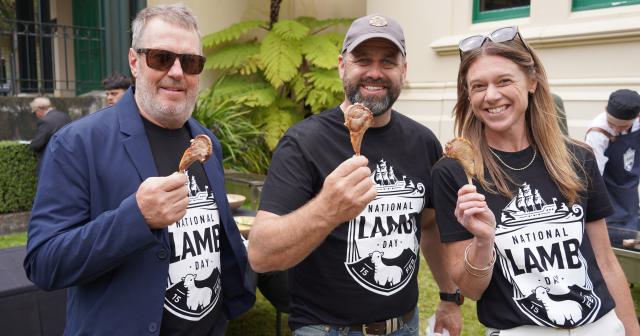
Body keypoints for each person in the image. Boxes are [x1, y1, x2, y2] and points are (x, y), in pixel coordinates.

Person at [23, 4, 254, 335]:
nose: (177, 72)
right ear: (134, 61)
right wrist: (136, 217)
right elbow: (44, 262)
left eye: (190, 62)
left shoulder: (206, 143)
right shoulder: (78, 143)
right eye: (161, 58)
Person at [248, 14, 462, 336]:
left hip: (405, 325)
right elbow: (261, 254)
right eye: (363, 60)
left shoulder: (422, 142)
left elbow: (429, 225)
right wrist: (327, 208)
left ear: (403, 71)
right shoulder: (303, 143)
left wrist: (448, 296)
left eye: (388, 62)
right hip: (325, 329)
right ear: (341, 66)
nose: (375, 72)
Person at [431, 26, 640, 335]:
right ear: (468, 94)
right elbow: (472, 289)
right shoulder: (455, 173)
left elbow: (605, 261)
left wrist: (632, 328)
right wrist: (484, 240)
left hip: (601, 326)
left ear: (531, 82)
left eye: (504, 81)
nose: (491, 95)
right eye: (478, 86)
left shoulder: (578, 158)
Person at [585, 89, 640, 247]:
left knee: (632, 234)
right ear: (605, 109)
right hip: (606, 187)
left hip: (630, 187)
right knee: (614, 238)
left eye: (622, 126)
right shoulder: (597, 132)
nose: (615, 128)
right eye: (612, 124)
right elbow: (594, 176)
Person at [28, 96, 71, 173]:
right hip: (66, 160)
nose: (36, 115)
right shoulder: (65, 116)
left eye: (35, 112)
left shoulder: (45, 121)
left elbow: (37, 144)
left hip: (50, 163)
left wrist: (32, 142)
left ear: (39, 109)